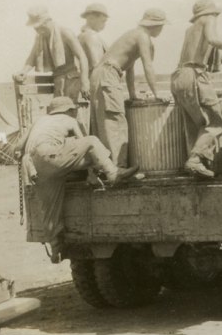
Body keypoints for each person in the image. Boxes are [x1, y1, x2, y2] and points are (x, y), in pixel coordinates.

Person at [20, 96, 140, 261]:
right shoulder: (69, 120)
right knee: (92, 142)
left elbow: (17, 148)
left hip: (34, 165)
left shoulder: (39, 121)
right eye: (73, 110)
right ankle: (113, 173)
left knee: (50, 211)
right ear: (68, 110)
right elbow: (85, 145)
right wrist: (92, 173)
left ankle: (56, 249)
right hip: (51, 155)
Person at [170, 0, 222, 179]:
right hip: (194, 76)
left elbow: (206, 62)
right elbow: (214, 39)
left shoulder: (191, 29)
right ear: (212, 12)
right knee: (216, 122)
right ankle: (196, 160)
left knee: (197, 125)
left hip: (180, 75)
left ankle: (196, 165)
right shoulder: (208, 19)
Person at [89, 8, 167, 167]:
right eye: (161, 25)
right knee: (115, 122)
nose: (162, 29)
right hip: (108, 74)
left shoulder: (134, 34)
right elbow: (148, 65)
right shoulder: (142, 36)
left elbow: (129, 67)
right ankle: (118, 169)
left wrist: (132, 95)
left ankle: (106, 170)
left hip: (103, 74)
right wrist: (157, 93)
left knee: (104, 124)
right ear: (155, 25)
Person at [13, 6, 90, 102]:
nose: (36, 30)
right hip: (58, 81)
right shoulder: (40, 37)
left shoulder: (65, 33)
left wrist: (85, 82)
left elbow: (82, 57)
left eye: (38, 27)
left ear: (46, 22)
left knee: (72, 108)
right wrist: (24, 71)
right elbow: (32, 58)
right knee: (59, 108)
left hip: (73, 81)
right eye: (35, 28)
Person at [78, 2, 110, 74]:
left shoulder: (83, 35)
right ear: (91, 18)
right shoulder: (91, 36)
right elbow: (97, 66)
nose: (104, 25)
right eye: (103, 21)